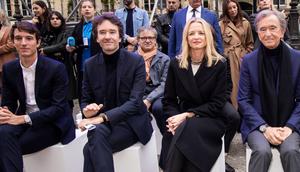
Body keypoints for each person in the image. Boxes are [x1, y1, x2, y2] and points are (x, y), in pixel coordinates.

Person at [78, 14, 153, 172]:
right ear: (96, 38)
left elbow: (135, 103)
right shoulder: (90, 65)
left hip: (131, 123)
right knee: (95, 138)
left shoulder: (136, 61)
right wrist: (87, 110)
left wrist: (101, 118)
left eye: (112, 32)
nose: (107, 36)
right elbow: (85, 99)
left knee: (89, 149)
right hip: (103, 125)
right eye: (102, 32)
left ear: (120, 37)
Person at [0, 21, 75, 172]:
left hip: (53, 122)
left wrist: (24, 119)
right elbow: (8, 102)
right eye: (18, 38)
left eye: (28, 38)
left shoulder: (56, 68)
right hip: (23, 119)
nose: (23, 43)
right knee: (3, 134)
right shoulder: (9, 68)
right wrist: (4, 113)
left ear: (38, 42)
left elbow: (59, 108)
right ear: (13, 42)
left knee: (8, 146)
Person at [238, 10, 300, 172]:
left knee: (291, 151)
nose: (268, 34)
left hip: (289, 123)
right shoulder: (249, 61)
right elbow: (243, 100)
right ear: (257, 32)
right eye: (262, 29)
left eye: (273, 28)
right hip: (257, 124)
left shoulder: (297, 59)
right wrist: (265, 128)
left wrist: (290, 126)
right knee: (262, 151)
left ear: (282, 30)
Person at [163, 18, 227, 172]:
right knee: (183, 133)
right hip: (181, 119)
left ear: (208, 37)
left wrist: (186, 116)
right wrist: (173, 120)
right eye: (192, 33)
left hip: (210, 118)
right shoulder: (176, 63)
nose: (196, 37)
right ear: (186, 38)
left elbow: (218, 103)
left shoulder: (220, 64)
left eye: (201, 33)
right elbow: (169, 100)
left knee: (186, 130)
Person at [219, 0, 254, 109]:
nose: (233, 10)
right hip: (229, 60)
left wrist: (247, 55)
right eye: (230, 8)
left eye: (234, 7)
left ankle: (247, 109)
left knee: (246, 85)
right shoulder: (221, 24)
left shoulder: (245, 23)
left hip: (243, 59)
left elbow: (250, 43)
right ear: (226, 10)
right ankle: (235, 110)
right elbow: (218, 44)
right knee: (233, 87)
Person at [40, 11, 77, 110]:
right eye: (52, 19)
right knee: (53, 94)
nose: (55, 20)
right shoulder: (46, 33)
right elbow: (41, 47)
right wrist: (51, 50)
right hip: (50, 66)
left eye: (57, 18)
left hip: (64, 65)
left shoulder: (67, 31)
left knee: (67, 96)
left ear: (61, 20)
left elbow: (63, 45)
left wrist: (47, 50)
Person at [66, 0, 100, 101]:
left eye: (89, 7)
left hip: (98, 62)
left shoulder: (99, 25)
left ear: (94, 10)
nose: (87, 9)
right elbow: (74, 42)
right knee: (84, 91)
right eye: (84, 7)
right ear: (81, 10)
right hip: (82, 63)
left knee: (97, 90)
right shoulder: (78, 26)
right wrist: (70, 47)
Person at [0, 9, 16, 94]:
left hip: (6, 62)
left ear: (2, 17)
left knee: (8, 89)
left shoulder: (9, 28)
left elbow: (11, 45)